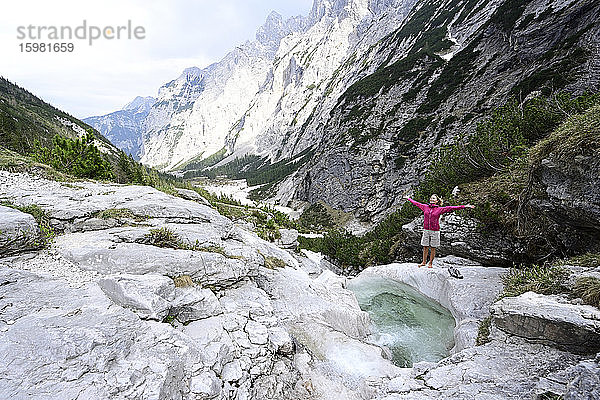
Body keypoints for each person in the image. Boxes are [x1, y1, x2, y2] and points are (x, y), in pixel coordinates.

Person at [403, 194, 475, 268]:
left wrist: (464, 206)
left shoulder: (439, 209)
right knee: (425, 246)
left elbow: (451, 208)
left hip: (435, 231)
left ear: (437, 201)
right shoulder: (425, 207)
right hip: (426, 230)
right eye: (431, 198)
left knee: (433, 247)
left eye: (434, 198)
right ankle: (423, 262)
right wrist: (409, 198)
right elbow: (416, 203)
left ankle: (430, 263)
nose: (432, 199)